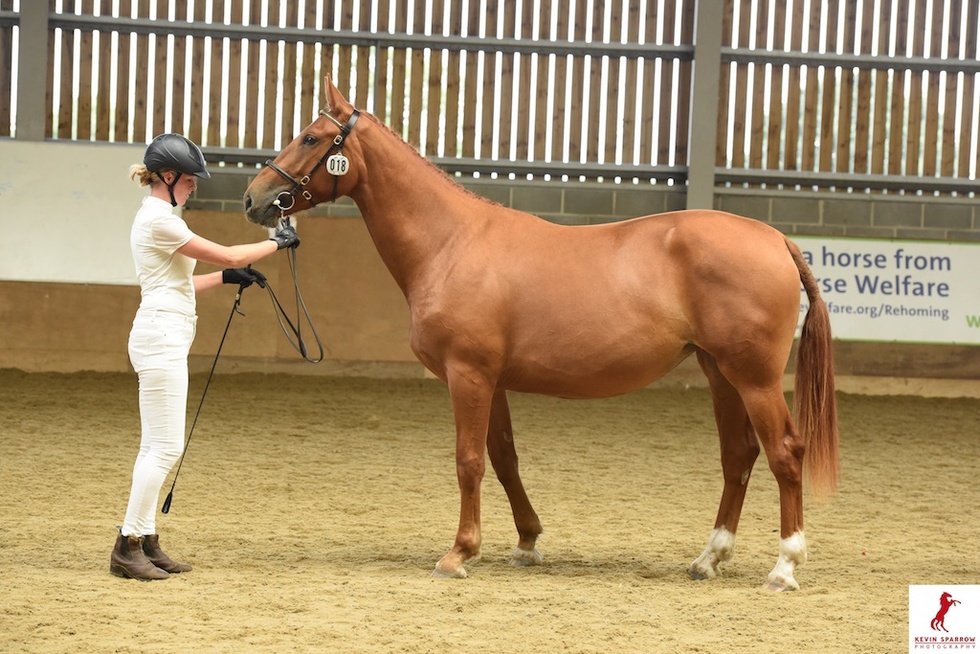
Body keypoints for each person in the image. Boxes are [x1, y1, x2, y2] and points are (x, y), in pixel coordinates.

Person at [110, 133, 300, 581]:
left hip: (164, 332)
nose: (195, 185)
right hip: (161, 337)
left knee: (155, 446)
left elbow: (181, 284)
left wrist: (226, 277)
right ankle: (127, 543)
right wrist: (277, 242)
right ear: (168, 177)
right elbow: (229, 251)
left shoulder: (161, 219)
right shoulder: (160, 221)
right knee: (165, 448)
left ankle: (146, 538)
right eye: (189, 178)